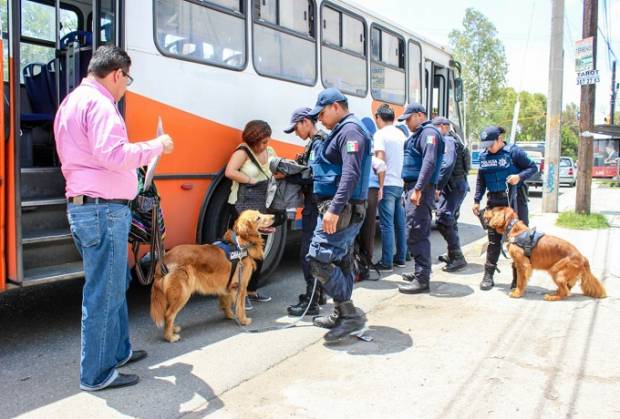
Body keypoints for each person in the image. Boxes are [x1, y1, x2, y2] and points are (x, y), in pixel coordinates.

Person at [54, 45, 174, 391]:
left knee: (115, 283)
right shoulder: (101, 104)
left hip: (88, 208)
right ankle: (96, 375)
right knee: (103, 294)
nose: (126, 87)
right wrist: (156, 145)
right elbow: (113, 154)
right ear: (117, 74)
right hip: (103, 210)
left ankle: (119, 351)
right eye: (128, 79)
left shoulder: (71, 102)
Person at [305, 87, 372, 341]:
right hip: (342, 207)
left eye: (321, 113)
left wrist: (333, 209)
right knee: (341, 259)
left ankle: (349, 314)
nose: (319, 119)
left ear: (335, 106)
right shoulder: (342, 130)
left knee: (318, 258)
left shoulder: (351, 131)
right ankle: (341, 312)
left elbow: (350, 173)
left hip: (342, 208)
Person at [472, 126, 538, 291]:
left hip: (515, 200)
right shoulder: (483, 156)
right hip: (494, 201)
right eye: (486, 144)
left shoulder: (514, 152)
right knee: (493, 240)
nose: (488, 147)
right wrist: (476, 200)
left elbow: (532, 167)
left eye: (491, 144)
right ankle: (488, 275)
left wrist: (519, 177)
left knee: (519, 240)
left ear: (500, 139)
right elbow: (481, 180)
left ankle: (518, 278)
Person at [225, 120, 279, 308]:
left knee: (258, 250)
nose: (265, 145)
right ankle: (239, 292)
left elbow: (275, 170)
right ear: (253, 140)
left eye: (267, 141)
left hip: (261, 206)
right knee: (242, 252)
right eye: (262, 142)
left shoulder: (270, 152)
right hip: (243, 206)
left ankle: (252, 290)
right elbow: (229, 172)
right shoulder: (242, 152)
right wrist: (249, 180)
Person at [283, 107, 329, 317]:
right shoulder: (316, 141)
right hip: (317, 203)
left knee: (308, 253)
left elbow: (313, 175)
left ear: (305, 122)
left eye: (296, 129)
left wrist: (287, 176)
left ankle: (312, 301)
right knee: (315, 250)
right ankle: (317, 294)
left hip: (316, 204)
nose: (296, 134)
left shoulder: (319, 142)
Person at [397, 103, 445, 295]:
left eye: (408, 119)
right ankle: (420, 271)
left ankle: (422, 278)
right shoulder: (420, 134)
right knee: (415, 231)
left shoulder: (429, 133)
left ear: (419, 115)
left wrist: (418, 189)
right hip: (414, 188)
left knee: (416, 232)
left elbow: (429, 161)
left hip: (419, 190)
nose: (406, 123)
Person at [372, 104, 407, 272]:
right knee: (399, 223)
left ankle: (386, 262)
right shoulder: (401, 134)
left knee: (386, 225)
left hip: (387, 183)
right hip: (400, 183)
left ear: (379, 118)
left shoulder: (380, 134)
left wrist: (379, 186)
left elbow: (380, 160)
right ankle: (401, 258)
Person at [433, 117, 469, 272]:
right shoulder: (454, 139)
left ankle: (457, 257)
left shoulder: (447, 140)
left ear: (442, 126)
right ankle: (452, 253)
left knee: (444, 218)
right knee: (449, 219)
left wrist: (438, 186)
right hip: (456, 185)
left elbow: (446, 165)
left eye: (434, 128)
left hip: (453, 186)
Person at [358, 116, 385, 278]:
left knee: (359, 227)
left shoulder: (362, 143)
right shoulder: (371, 143)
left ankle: (362, 265)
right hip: (372, 190)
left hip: (362, 190)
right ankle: (365, 263)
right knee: (368, 228)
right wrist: (381, 187)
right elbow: (381, 165)